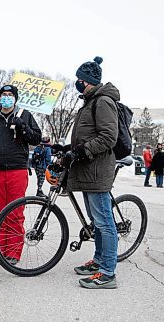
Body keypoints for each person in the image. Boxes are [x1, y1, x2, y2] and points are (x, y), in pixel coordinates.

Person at [69, 56, 118, 289]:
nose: (77, 82)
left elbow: (109, 136)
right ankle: (99, 261)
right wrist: (68, 149)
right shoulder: (90, 102)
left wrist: (84, 150)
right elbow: (87, 135)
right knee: (97, 221)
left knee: (105, 222)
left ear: (88, 80)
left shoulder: (103, 101)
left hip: (98, 171)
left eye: (80, 79)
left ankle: (108, 272)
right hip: (89, 170)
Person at [0, 84, 41, 264]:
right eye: (4, 95)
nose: (6, 97)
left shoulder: (25, 116)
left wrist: (23, 127)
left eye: (10, 95)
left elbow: (36, 139)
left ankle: (13, 252)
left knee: (15, 212)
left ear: (15, 98)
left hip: (17, 169)